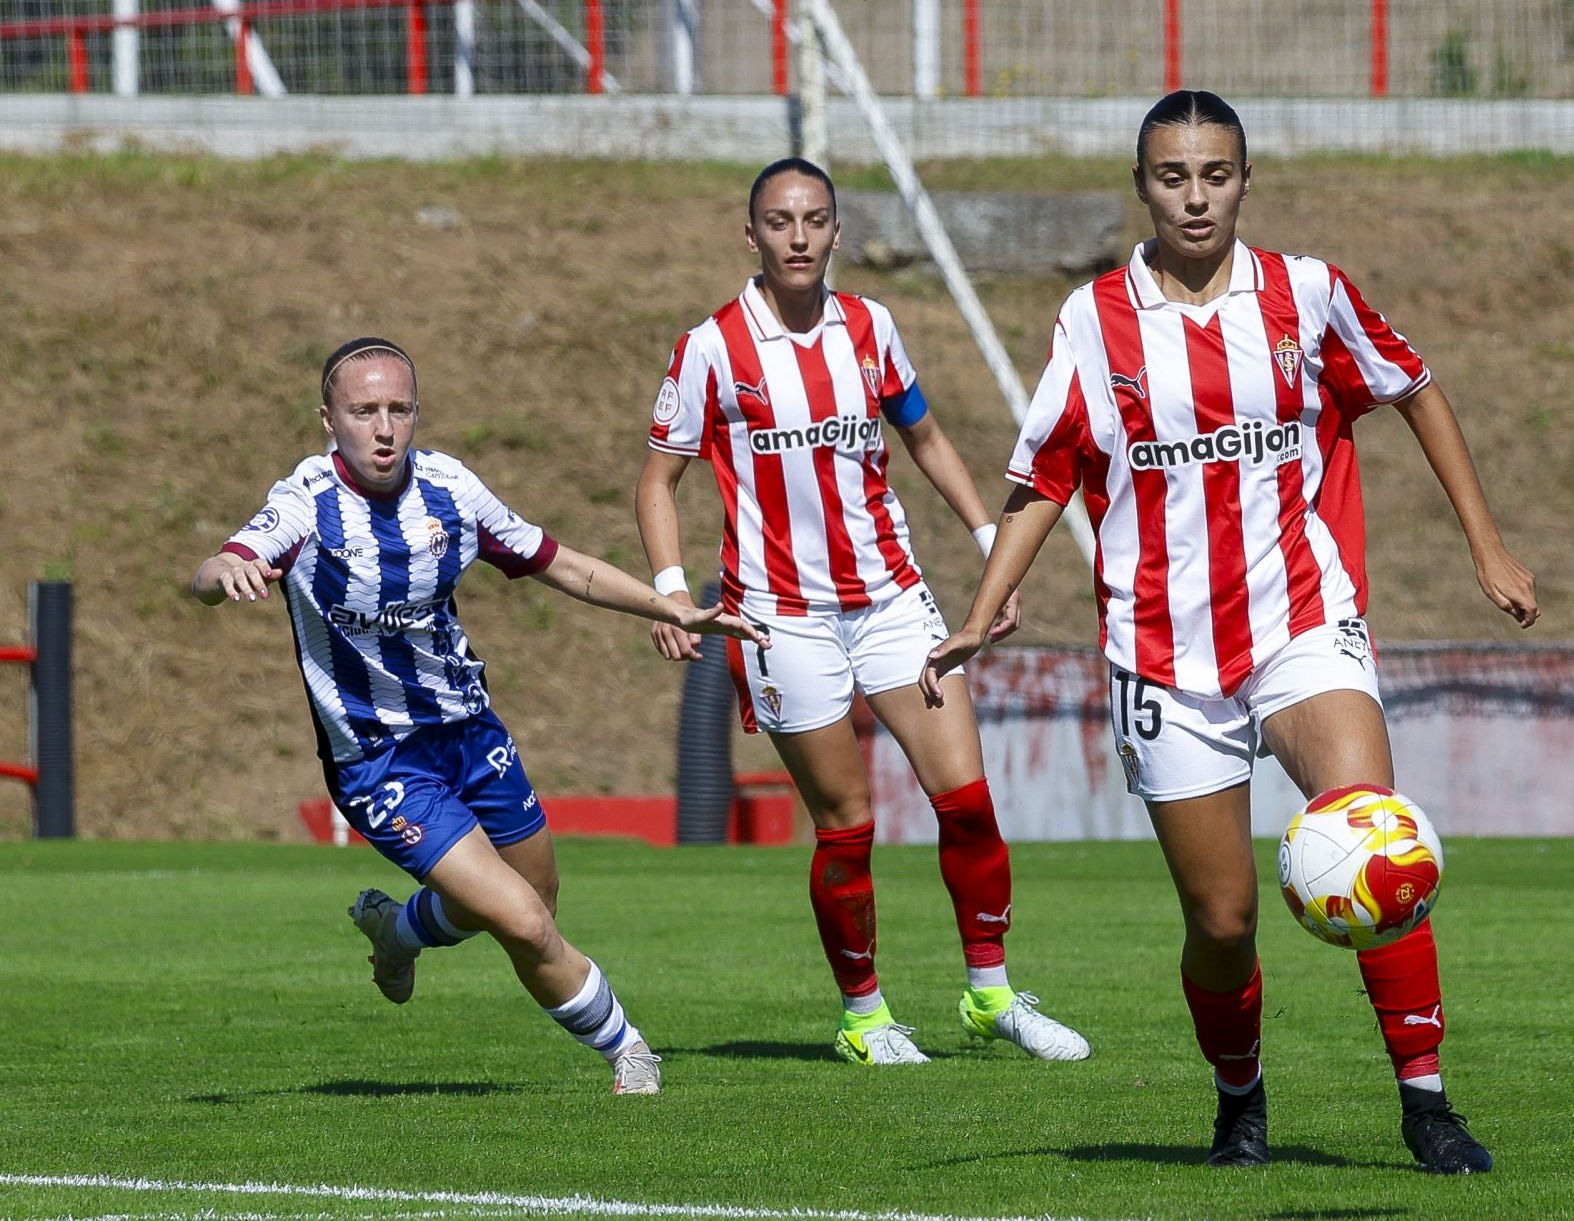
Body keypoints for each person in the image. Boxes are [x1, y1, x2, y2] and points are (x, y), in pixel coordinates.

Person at [923, 91, 1538, 1171]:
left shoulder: (1309, 294)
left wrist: (1485, 544)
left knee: (1376, 838)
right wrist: (982, 613)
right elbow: (1043, 475)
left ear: (1246, 179)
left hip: (1304, 621)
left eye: (1216, 173)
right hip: (1162, 650)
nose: (1195, 195)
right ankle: (1239, 1097)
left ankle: (1428, 1103)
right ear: (1142, 186)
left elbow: (1417, 390)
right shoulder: (1093, 320)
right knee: (1223, 918)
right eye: (1173, 175)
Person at [192, 337, 766, 1096]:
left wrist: (669, 607)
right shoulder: (305, 504)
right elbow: (219, 564)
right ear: (328, 420)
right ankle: (629, 1051)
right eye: (364, 411)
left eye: (399, 409)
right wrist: (222, 571)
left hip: (470, 732)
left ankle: (398, 934)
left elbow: (559, 562)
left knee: (537, 897)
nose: (384, 427)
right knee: (524, 922)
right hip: (379, 761)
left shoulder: (451, 491)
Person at [637, 158, 1089, 1066]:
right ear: (752, 232)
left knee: (967, 802)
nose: (797, 236)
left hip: (891, 600)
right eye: (778, 220)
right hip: (779, 618)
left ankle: (991, 996)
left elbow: (921, 433)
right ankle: (865, 1018)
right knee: (847, 823)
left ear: (838, 232)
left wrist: (982, 547)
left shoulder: (871, 327)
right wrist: (673, 590)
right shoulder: (712, 347)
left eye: (814, 220)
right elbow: (659, 477)